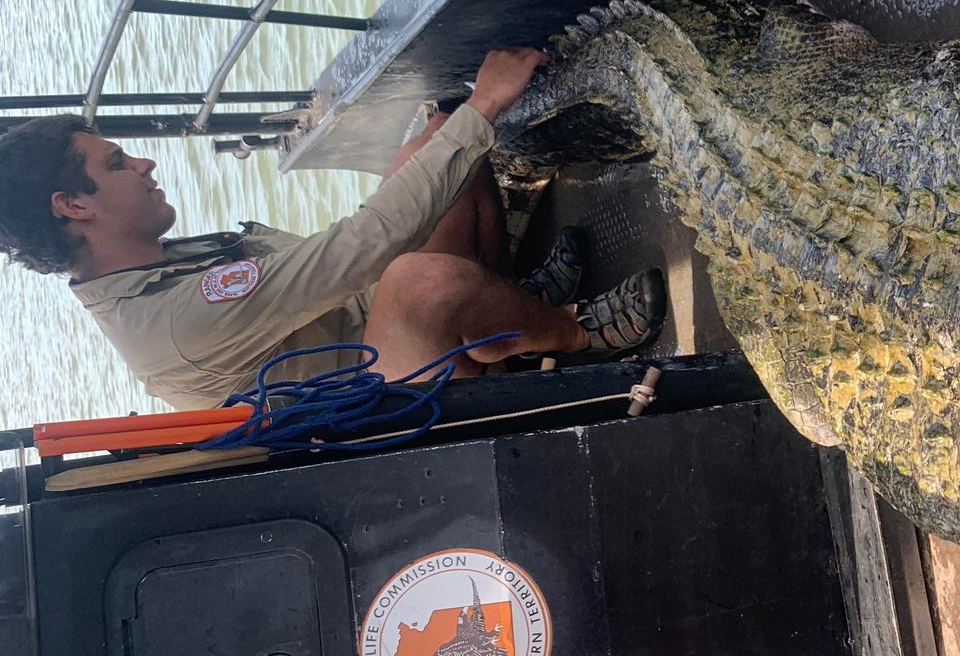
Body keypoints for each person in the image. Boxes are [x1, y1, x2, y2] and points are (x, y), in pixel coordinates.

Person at [0, 46, 665, 410]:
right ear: (75, 207)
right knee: (419, 277)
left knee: (434, 145)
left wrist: (462, 125)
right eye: (116, 163)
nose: (142, 162)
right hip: (382, 404)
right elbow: (362, 250)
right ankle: (577, 334)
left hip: (378, 337)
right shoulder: (172, 323)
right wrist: (487, 101)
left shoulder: (152, 264)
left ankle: (517, 318)